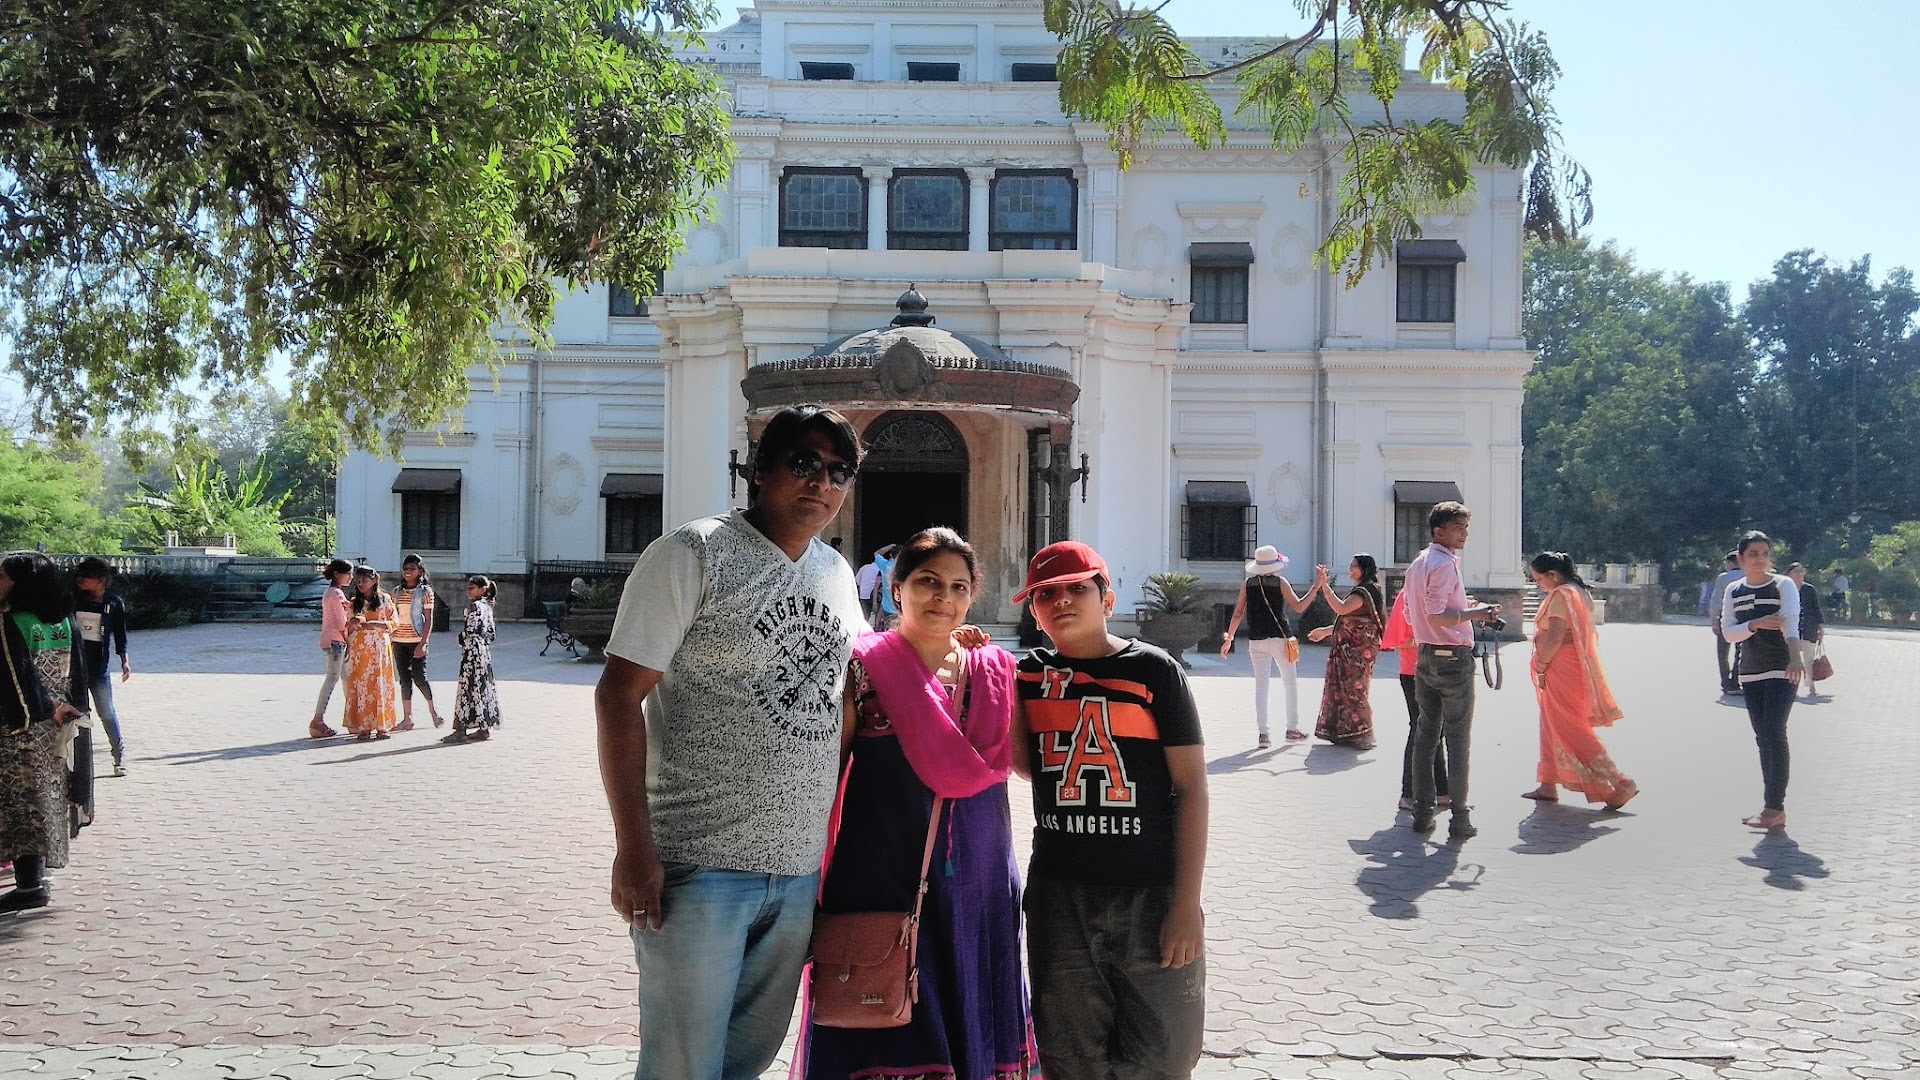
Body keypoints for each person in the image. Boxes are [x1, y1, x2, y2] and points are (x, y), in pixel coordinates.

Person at [596, 403, 867, 1080]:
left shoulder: (836, 574)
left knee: (747, 1062)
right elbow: (618, 696)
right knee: (682, 1066)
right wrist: (634, 848)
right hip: (699, 867)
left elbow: (849, 694)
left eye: (839, 471)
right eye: (804, 462)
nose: (822, 482)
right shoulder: (694, 553)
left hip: (797, 870)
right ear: (759, 469)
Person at [801, 527, 1031, 1080]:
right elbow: (824, 777)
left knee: (966, 1010)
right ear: (896, 588)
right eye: (928, 581)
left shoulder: (996, 672)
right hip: (881, 878)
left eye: (958, 587)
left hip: (979, 881)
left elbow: (1027, 763)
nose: (943, 597)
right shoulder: (861, 668)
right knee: (882, 1021)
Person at [1011, 540, 1208, 1080]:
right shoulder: (1025, 678)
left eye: (1078, 588)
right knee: (1069, 1053)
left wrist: (1186, 905)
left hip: (1151, 894)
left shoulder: (1154, 672)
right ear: (1034, 611)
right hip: (1061, 899)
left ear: (1107, 599)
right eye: (1046, 594)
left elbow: (1192, 789)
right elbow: (1025, 766)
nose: (1062, 600)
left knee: (1164, 1055)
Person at [1403, 501, 1501, 839]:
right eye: (1459, 528)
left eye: (1465, 528)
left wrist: (1462, 608)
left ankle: (1422, 814)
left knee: (1426, 737)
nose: (1464, 534)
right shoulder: (1443, 564)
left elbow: (1412, 613)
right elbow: (1436, 615)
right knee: (1458, 740)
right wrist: (1478, 614)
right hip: (1452, 660)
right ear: (1439, 531)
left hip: (1425, 656)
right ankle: (1459, 818)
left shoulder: (1418, 563)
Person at [0, 551, 89, 913]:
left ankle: (30, 885)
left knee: (20, 804)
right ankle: (37, 878)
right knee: (47, 801)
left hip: (18, 729)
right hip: (57, 731)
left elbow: (17, 677)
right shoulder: (64, 621)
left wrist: (43, 708)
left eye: (3, 577)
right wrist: (72, 710)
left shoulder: (11, 622)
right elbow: (79, 675)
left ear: (20, 583)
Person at [1522, 553, 1639, 810]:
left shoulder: (1562, 595)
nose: (1538, 585)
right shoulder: (1579, 591)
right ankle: (1547, 784)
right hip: (1572, 665)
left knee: (1570, 726)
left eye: (1539, 580)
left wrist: (1541, 664)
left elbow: (1555, 636)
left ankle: (1620, 782)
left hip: (1562, 667)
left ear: (1553, 575)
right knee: (1551, 723)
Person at [1722, 531, 1803, 831]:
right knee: (1763, 737)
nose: (1760, 559)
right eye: (1753, 554)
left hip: (1782, 669)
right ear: (1741, 558)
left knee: (1774, 732)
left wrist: (1795, 658)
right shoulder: (1733, 590)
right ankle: (1771, 807)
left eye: (1765, 554)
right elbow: (1729, 632)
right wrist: (1754, 624)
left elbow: (1790, 622)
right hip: (1750, 672)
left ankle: (1774, 807)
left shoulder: (1782, 585)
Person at [1219, 545, 1312, 748]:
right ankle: (1292, 728)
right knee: (1290, 683)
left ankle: (1263, 734)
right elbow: (1299, 606)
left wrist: (1229, 638)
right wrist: (1316, 587)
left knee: (1261, 686)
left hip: (1256, 641)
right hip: (1280, 638)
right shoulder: (1280, 583)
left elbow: (1238, 613)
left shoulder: (1248, 584)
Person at [1380, 589, 1448, 812]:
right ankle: (1408, 793)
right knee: (1420, 729)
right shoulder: (1408, 595)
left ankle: (1443, 791)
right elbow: (1400, 640)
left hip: (1438, 670)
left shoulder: (1439, 592)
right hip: (1414, 672)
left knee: (1436, 731)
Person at [1308, 554, 1384, 750]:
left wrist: (1324, 586)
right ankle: (1346, 732)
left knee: (1355, 689)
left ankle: (1365, 734)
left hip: (1358, 651)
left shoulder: (1364, 592)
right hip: (1349, 649)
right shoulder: (1362, 590)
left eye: (1354, 567)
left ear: (1364, 569)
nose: (1350, 570)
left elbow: (1341, 609)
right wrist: (1325, 632)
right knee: (1345, 690)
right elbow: (1347, 621)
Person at [70, 557, 131, 776]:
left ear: (101, 580)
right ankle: (75, 761)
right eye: (79, 576)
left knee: (106, 712)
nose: (81, 580)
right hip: (74, 668)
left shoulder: (113, 603)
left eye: (86, 576)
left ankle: (118, 755)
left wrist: (124, 661)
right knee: (75, 714)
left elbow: (120, 635)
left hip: (98, 669)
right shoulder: (74, 600)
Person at [343, 566, 401, 742]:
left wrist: (377, 624)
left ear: (374, 581)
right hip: (361, 649)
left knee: (380, 684)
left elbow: (395, 622)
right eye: (358, 581)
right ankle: (364, 726)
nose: (360, 584)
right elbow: (347, 627)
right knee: (362, 685)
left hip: (380, 647)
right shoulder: (354, 602)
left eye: (364, 580)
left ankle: (383, 726)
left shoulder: (385, 600)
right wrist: (353, 623)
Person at [390, 553, 445, 731]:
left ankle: (433, 712)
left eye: (412, 569)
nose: (408, 572)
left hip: (416, 639)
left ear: (420, 571)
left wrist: (423, 642)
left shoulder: (425, 592)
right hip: (398, 639)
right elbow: (392, 614)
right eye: (405, 569)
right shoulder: (397, 591)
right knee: (404, 679)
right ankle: (407, 717)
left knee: (420, 677)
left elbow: (428, 619)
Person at [445, 576, 501, 743]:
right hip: (483, 652)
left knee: (466, 689)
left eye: (472, 588)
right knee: (481, 687)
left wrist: (462, 637)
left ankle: (460, 730)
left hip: (471, 653)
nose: (468, 591)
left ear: (482, 590)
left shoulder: (475, 606)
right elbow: (491, 634)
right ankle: (483, 727)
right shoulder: (487, 607)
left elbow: (470, 630)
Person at [310, 558, 353, 739]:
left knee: (345, 678)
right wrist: (349, 638)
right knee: (333, 678)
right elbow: (341, 622)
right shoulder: (336, 594)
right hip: (336, 641)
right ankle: (318, 719)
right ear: (337, 574)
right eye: (348, 573)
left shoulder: (331, 593)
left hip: (333, 640)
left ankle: (352, 717)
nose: (350, 577)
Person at [1786, 564, 1825, 699]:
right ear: (1789, 573)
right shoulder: (1784, 588)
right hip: (1790, 630)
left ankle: (1811, 684)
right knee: (1791, 658)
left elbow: (1816, 608)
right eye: (1796, 571)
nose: (1800, 574)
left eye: (1801, 571)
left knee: (1809, 658)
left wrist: (1820, 627)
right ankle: (1791, 686)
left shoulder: (1809, 589)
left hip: (1808, 627)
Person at [1709, 552, 1744, 695]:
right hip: (1743, 617)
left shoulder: (1723, 578)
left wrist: (1714, 621)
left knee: (1722, 652)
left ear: (1731, 563)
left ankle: (1725, 682)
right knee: (1740, 652)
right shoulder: (1748, 576)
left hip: (1725, 617)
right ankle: (1735, 681)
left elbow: (1716, 600)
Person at [872, 543, 901, 629]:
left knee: (888, 631)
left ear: (891, 555)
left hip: (887, 607)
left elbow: (877, 553)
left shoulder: (884, 565)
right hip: (901, 607)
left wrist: (890, 546)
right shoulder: (904, 568)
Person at [855, 552, 881, 617]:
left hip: (863, 594)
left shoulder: (864, 567)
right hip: (874, 596)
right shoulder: (880, 569)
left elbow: (857, 581)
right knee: (877, 616)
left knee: (865, 616)